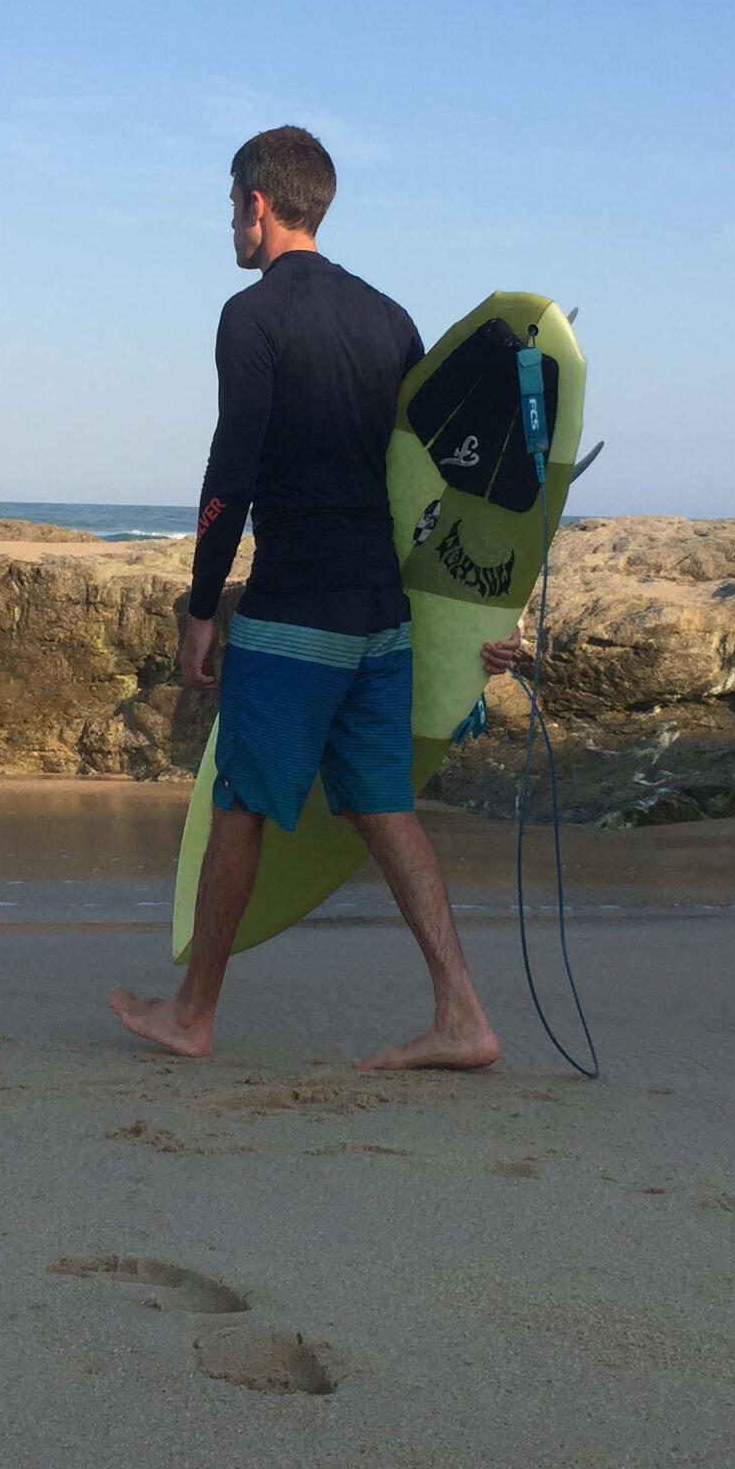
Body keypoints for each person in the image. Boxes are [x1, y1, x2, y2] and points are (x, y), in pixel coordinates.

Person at [108, 128, 518, 1069]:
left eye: (230, 205)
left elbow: (232, 471)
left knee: (242, 803)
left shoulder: (251, 317)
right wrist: (481, 614)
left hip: (295, 612)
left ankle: (194, 1013)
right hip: (381, 614)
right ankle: (463, 1014)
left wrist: (202, 602)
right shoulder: (393, 321)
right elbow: (428, 489)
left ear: (258, 202)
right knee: (384, 807)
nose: (229, 223)